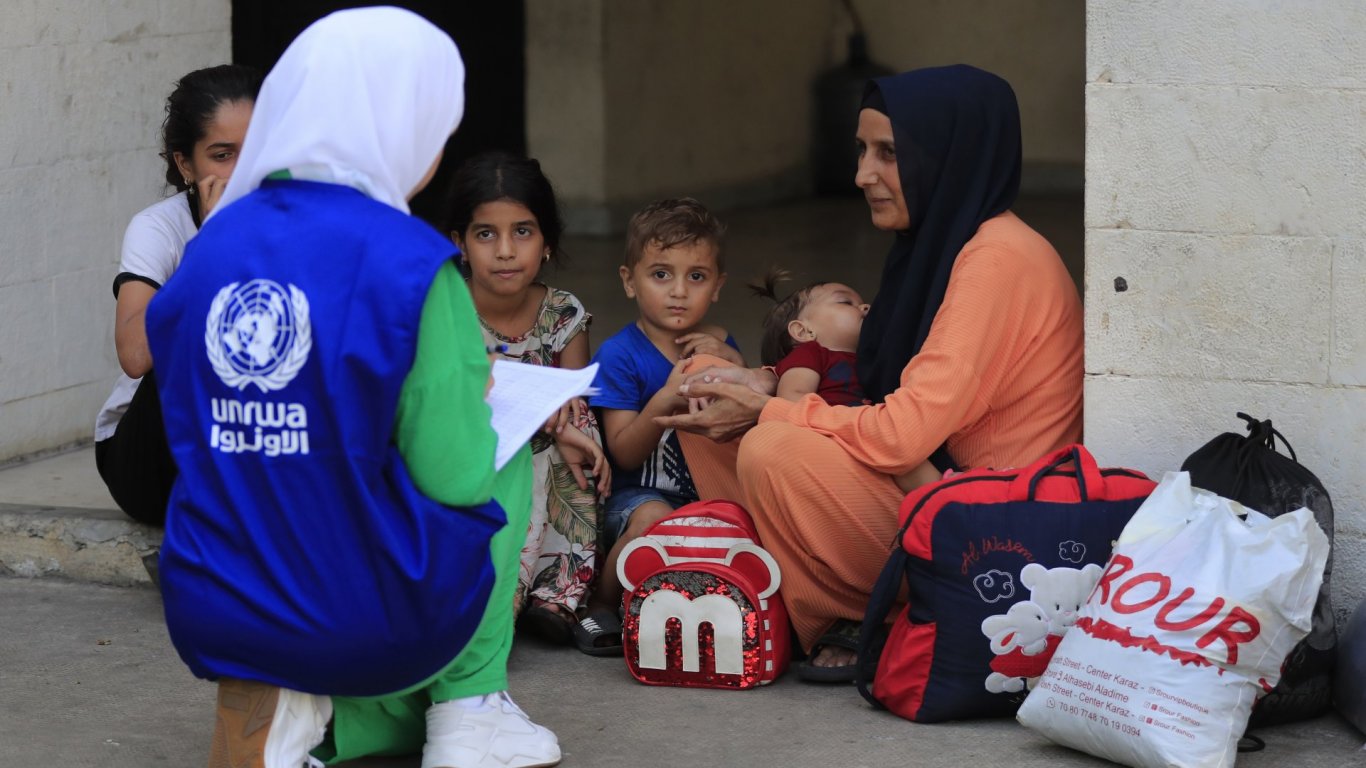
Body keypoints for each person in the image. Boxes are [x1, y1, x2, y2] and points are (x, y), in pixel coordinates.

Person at [143, 9, 560, 767]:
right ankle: (472, 711)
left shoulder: (209, 247)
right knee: (499, 449)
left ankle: (326, 720)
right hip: (356, 615)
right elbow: (455, 475)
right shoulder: (410, 263)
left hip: (215, 598)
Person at [659, 65, 1084, 683]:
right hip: (931, 482)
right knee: (704, 384)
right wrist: (765, 380)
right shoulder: (937, 243)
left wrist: (772, 409)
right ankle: (781, 579)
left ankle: (862, 618)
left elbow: (903, 434)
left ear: (946, 154)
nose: (862, 175)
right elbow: (870, 392)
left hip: (990, 525)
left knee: (772, 446)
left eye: (888, 153)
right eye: (862, 150)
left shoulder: (998, 260)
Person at [447, 150, 611, 646]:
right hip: (473, 453)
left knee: (576, 434)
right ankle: (501, 595)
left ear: (546, 244)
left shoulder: (562, 312)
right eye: (485, 234)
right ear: (459, 243)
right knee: (531, 444)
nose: (504, 250)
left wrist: (564, 429)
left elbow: (573, 396)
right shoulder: (444, 311)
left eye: (522, 231)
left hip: (550, 453)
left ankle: (555, 596)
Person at [573, 198, 743, 656]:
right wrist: (667, 396)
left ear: (718, 286)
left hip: (706, 490)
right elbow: (624, 453)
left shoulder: (721, 343)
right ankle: (602, 603)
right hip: (637, 496)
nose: (679, 292)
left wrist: (738, 366)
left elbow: (742, 423)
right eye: (661, 274)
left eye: (697, 277)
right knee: (653, 520)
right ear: (629, 281)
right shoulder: (620, 355)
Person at [94, 64, 261, 526]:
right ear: (186, 164)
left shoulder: (294, 220)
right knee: (185, 352)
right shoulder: (159, 228)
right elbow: (135, 356)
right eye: (223, 155)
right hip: (149, 458)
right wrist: (210, 250)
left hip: (252, 445)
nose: (243, 172)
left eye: (256, 151)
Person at [751, 268, 940, 494]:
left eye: (862, 303)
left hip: (868, 438)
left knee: (906, 455)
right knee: (904, 458)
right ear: (804, 331)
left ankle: (943, 496)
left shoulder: (871, 362)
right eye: (845, 302)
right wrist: (832, 420)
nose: (866, 307)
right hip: (833, 437)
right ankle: (945, 495)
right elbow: (791, 398)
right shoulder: (811, 353)